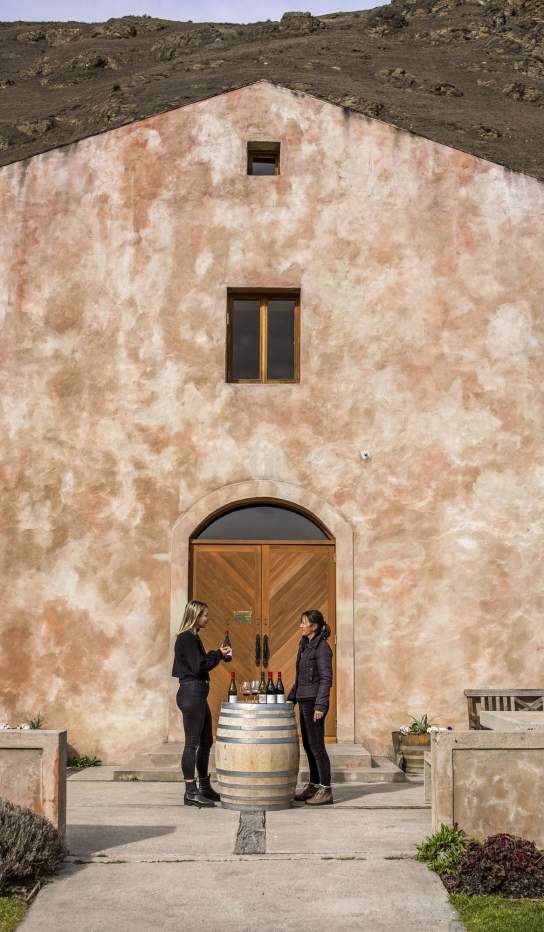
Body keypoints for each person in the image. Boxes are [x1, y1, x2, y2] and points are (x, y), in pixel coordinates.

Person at [172, 599, 231, 808]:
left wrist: (216, 655)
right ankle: (190, 791)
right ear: (195, 616)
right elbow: (199, 666)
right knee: (192, 744)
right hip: (191, 693)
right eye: (205, 615)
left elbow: (200, 663)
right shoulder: (186, 638)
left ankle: (204, 787)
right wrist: (218, 654)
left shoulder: (193, 638)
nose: (207, 618)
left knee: (206, 742)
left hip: (197, 694)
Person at [288, 609, 334, 806]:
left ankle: (326, 789)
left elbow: (326, 678)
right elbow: (300, 677)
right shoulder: (305, 645)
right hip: (304, 700)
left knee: (317, 747)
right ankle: (314, 785)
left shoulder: (322, 648)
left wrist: (321, 705)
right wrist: (291, 699)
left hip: (315, 702)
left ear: (314, 627)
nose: (300, 626)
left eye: (303, 623)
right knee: (307, 745)